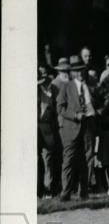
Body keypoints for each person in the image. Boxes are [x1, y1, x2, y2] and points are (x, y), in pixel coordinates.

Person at [55, 55, 96, 201]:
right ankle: (65, 194)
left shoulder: (87, 87)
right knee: (69, 161)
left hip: (87, 127)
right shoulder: (66, 86)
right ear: (72, 72)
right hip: (71, 129)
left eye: (81, 70)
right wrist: (75, 115)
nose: (80, 73)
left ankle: (83, 192)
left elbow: (92, 106)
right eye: (76, 71)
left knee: (85, 160)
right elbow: (60, 108)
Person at [37, 66, 60, 197]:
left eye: (46, 74)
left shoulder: (52, 90)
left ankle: (48, 188)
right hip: (35, 128)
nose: (45, 77)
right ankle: (39, 189)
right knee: (37, 159)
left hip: (47, 129)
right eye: (42, 74)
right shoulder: (35, 90)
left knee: (48, 159)